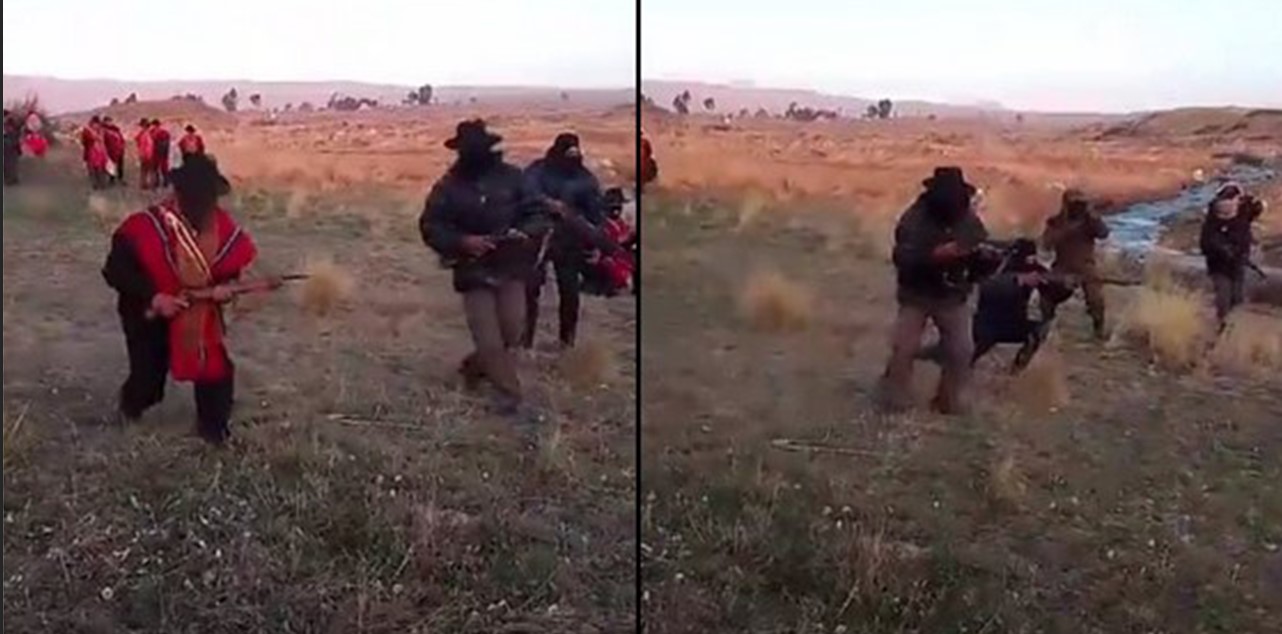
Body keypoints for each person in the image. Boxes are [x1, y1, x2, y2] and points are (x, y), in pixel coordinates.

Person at [101, 154, 253, 445]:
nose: (202, 204)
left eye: (207, 198)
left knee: (215, 369)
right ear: (178, 193)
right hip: (145, 312)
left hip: (198, 315)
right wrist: (155, 297)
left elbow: (231, 270)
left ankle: (213, 430)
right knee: (148, 380)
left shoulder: (222, 228)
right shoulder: (141, 228)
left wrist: (225, 289)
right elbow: (115, 271)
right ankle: (130, 409)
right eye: (195, 196)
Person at [419, 120, 552, 418]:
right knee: (488, 338)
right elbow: (431, 226)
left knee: (511, 330)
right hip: (472, 270)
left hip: (511, 265)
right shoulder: (448, 186)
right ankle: (510, 396)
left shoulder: (514, 178)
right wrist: (463, 242)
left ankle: (472, 368)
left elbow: (538, 212)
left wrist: (524, 231)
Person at [877, 166, 1000, 415]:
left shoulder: (967, 218)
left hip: (952, 296)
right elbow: (903, 257)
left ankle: (947, 402)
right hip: (916, 294)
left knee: (961, 351)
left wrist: (985, 261)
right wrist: (936, 256)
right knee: (904, 348)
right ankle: (892, 398)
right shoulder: (914, 218)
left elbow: (979, 247)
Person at [917, 239, 1071, 373]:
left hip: (1012, 321)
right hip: (986, 320)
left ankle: (1015, 373)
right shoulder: (994, 263)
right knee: (957, 353)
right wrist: (1016, 281)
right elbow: (986, 286)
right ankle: (917, 356)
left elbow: (1053, 293)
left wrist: (1065, 288)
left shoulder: (1034, 269)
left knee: (1039, 331)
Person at [523, 132, 606, 349]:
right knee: (529, 289)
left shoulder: (585, 179)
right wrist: (548, 203)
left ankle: (566, 344)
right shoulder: (538, 170)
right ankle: (524, 343)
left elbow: (596, 215)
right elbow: (524, 192)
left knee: (569, 292)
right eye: (567, 153)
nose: (571, 158)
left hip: (570, 241)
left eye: (575, 153)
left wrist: (597, 245)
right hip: (536, 237)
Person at [1040, 188, 1111, 339]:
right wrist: (1069, 228)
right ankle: (1044, 326)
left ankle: (1099, 330)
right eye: (1075, 204)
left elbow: (1104, 234)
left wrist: (1093, 218)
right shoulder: (1055, 222)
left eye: (1081, 204)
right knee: (1047, 296)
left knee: (1095, 299)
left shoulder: (1089, 221)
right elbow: (1046, 244)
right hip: (1062, 266)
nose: (1078, 208)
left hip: (1086, 266)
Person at [1200, 183, 1267, 328]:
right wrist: (1223, 249)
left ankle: (1232, 328)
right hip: (1219, 266)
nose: (1226, 210)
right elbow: (1206, 243)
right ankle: (1222, 327)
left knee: (1237, 298)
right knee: (1224, 298)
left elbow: (1259, 208)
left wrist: (1255, 203)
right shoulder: (1212, 221)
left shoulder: (1244, 210)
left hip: (1238, 263)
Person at [582, 187, 636, 297]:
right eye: (613, 206)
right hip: (604, 259)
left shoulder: (620, 223)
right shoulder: (601, 224)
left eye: (618, 205)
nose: (616, 209)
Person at [81, 118, 111, 189]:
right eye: (95, 124)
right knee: (93, 170)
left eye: (98, 124)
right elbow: (85, 142)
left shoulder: (101, 131)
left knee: (101, 169)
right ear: (92, 123)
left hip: (101, 152)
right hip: (91, 152)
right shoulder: (87, 131)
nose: (97, 126)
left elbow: (105, 141)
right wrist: (94, 138)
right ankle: (95, 185)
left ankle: (102, 184)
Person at [102, 116, 127, 185]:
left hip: (119, 150)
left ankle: (120, 178)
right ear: (105, 122)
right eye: (107, 121)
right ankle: (111, 179)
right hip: (110, 150)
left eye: (110, 121)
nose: (109, 123)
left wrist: (122, 145)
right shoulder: (103, 130)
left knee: (120, 165)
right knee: (111, 165)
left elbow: (121, 138)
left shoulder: (116, 129)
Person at [135, 118, 156, 189]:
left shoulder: (143, 134)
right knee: (148, 170)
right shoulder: (146, 134)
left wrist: (143, 155)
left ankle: (145, 184)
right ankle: (148, 184)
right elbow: (147, 146)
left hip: (145, 154)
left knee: (145, 171)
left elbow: (143, 145)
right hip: (147, 154)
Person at [151, 119, 172, 188]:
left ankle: (158, 182)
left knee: (156, 168)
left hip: (156, 152)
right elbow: (168, 142)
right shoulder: (165, 132)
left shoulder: (152, 132)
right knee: (163, 167)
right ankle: (165, 182)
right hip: (163, 152)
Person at [3, 110, 22, 186]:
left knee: (11, 163)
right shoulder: (8, 124)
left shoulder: (10, 124)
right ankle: (10, 179)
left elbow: (16, 133)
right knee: (10, 163)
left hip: (11, 146)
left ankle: (12, 179)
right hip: (9, 146)